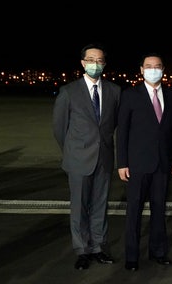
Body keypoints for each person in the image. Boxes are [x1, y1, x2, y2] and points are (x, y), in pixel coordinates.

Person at [52, 43, 121, 270]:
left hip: (104, 159)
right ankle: (82, 250)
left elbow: (114, 125)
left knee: (100, 206)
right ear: (82, 63)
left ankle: (99, 247)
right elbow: (60, 129)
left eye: (99, 60)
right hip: (78, 160)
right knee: (79, 208)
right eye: (90, 60)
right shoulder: (68, 92)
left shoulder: (114, 91)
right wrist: (73, 152)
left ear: (104, 64)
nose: (95, 64)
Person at [116, 52, 172, 271]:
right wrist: (122, 162)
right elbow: (122, 132)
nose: (154, 69)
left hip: (162, 165)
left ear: (163, 69)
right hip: (137, 164)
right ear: (142, 70)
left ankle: (158, 251)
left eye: (158, 66)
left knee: (158, 210)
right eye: (149, 66)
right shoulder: (130, 95)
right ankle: (132, 256)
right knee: (133, 212)